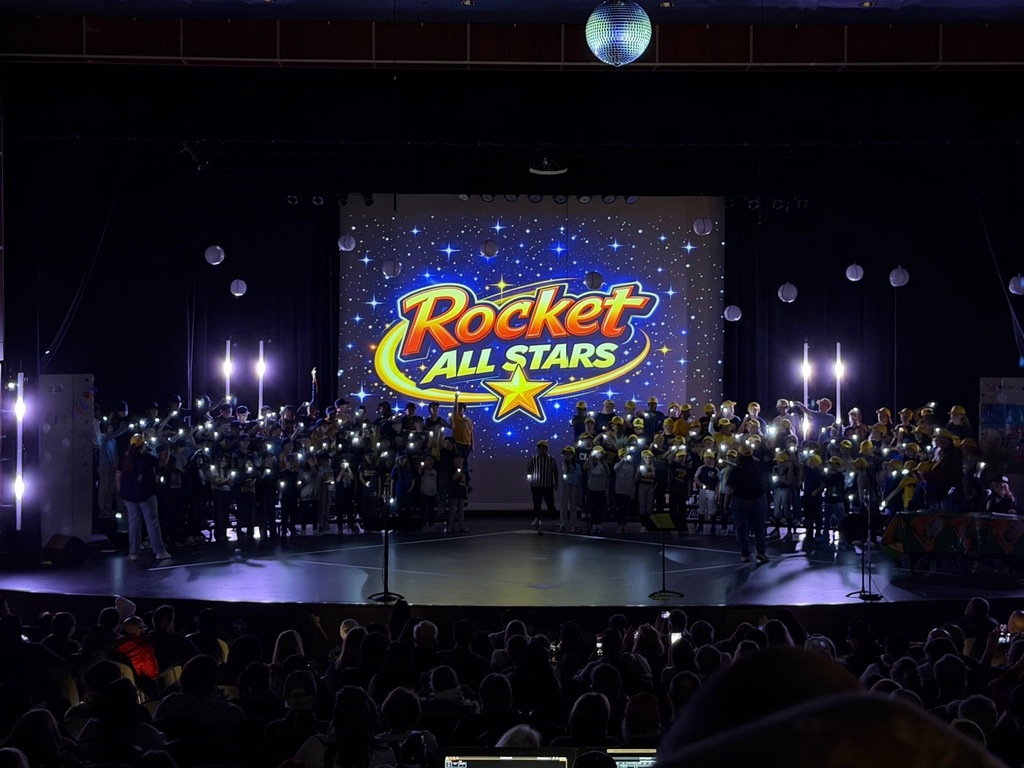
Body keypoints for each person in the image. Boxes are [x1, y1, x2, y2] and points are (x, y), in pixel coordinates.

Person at [116, 434, 171, 561]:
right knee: (152, 522)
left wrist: (121, 492)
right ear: (143, 445)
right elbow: (162, 463)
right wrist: (167, 448)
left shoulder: (125, 458)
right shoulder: (146, 458)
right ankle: (159, 551)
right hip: (145, 494)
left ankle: (134, 552)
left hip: (129, 495)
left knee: (134, 522)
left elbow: (118, 475)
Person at [723, 446, 768, 564]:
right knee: (759, 527)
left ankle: (745, 554)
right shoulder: (758, 467)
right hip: (758, 499)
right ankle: (761, 552)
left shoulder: (736, 470)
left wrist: (725, 506)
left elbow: (729, 490)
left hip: (740, 501)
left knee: (742, 528)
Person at [527, 440, 559, 529]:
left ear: (547, 449)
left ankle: (555, 519)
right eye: (540, 447)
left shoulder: (551, 459)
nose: (541, 449)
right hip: (536, 485)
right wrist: (530, 478)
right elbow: (529, 469)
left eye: (543, 448)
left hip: (548, 485)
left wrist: (556, 482)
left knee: (550, 503)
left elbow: (555, 471)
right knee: (537, 503)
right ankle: (537, 518)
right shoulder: (534, 458)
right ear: (537, 449)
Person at [559, 446, 583, 533]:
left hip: (574, 486)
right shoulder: (564, 464)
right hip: (566, 485)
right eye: (566, 454)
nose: (567, 455)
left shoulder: (577, 466)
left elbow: (579, 478)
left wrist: (579, 491)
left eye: (569, 454)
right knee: (564, 506)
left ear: (573, 455)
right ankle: (563, 524)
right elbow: (563, 475)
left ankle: (574, 524)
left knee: (573, 506)